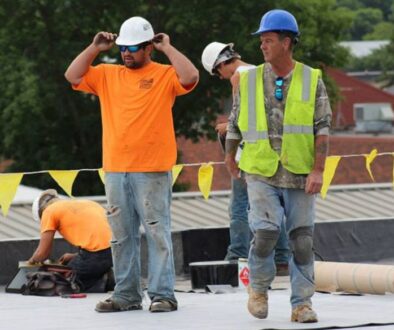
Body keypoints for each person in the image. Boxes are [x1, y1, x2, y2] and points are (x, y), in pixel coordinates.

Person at [65, 16, 198, 313]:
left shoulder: (164, 74)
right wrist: (95, 48)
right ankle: (126, 295)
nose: (127, 53)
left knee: (157, 232)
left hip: (151, 169)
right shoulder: (107, 74)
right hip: (115, 169)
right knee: (121, 235)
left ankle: (163, 294)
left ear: (148, 47)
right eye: (124, 47)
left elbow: (190, 77)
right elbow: (72, 76)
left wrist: (168, 48)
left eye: (134, 47)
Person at [225, 9, 331, 323]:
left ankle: (302, 305)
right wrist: (230, 157)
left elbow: (322, 128)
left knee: (302, 241)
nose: (262, 46)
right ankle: (258, 290)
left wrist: (318, 170)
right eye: (261, 40)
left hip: (299, 171)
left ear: (286, 42)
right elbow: (235, 123)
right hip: (260, 170)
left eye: (268, 40)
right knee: (266, 233)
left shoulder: (312, 79)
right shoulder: (250, 78)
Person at [201, 42, 289, 275]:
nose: (220, 77)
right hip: (271, 153)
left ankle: (237, 255)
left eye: (217, 72)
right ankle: (282, 258)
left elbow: (241, 119)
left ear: (222, 64)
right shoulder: (263, 70)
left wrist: (225, 127)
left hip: (248, 154)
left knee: (239, 207)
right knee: (274, 206)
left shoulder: (238, 77)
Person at [28, 189, 113, 292]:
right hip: (116, 254)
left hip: (97, 257)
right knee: (77, 267)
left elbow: (42, 254)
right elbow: (100, 240)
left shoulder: (49, 211)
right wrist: (75, 256)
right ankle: (106, 276)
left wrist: (31, 262)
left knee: (58, 280)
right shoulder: (86, 203)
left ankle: (105, 281)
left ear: (41, 212)